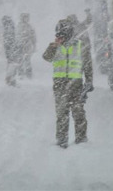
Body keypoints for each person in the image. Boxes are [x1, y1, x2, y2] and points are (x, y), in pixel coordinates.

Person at [42, 18, 94, 148]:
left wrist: (89, 82)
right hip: (60, 85)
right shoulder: (55, 46)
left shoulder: (80, 45)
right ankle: (62, 140)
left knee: (79, 113)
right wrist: (53, 46)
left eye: (62, 34)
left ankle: (81, 140)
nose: (59, 37)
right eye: (58, 34)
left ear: (69, 33)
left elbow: (88, 65)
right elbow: (46, 57)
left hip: (76, 85)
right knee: (61, 114)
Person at [17, 13, 36, 79]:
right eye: (25, 17)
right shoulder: (19, 26)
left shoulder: (29, 26)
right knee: (21, 60)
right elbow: (17, 36)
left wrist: (34, 45)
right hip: (21, 46)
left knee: (27, 60)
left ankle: (28, 74)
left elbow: (33, 37)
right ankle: (21, 73)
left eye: (27, 17)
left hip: (27, 46)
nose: (27, 19)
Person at [2, 15, 19, 86]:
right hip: (11, 49)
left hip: (10, 49)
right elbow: (11, 40)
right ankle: (10, 79)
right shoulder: (10, 28)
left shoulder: (7, 28)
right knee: (12, 64)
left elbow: (6, 41)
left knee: (11, 63)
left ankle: (10, 79)